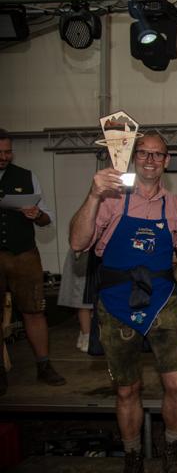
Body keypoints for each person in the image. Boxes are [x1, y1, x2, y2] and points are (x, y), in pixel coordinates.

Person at [69, 132, 177, 473]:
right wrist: (93, 194)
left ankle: (173, 448)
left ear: (167, 161)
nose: (150, 160)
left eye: (157, 154)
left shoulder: (175, 205)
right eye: (144, 153)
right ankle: (133, 454)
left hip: (162, 300)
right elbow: (77, 242)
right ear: (134, 158)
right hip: (116, 302)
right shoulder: (110, 198)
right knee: (126, 390)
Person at [0, 127, 65, 397]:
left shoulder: (26, 176)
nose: (4, 157)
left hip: (24, 253)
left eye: (8, 152)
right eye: (0, 153)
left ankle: (44, 365)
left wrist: (36, 214)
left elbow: (47, 219)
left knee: (34, 311)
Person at [57, 249, 92, 352]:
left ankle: (85, 334)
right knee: (82, 298)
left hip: (91, 254)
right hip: (84, 255)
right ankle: (87, 337)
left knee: (86, 298)